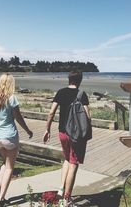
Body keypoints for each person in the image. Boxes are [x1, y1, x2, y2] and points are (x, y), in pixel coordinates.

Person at [0, 73, 33, 207]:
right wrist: (28, 130)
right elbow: (19, 118)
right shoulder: (11, 99)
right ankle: (1, 199)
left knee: (4, 163)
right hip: (9, 137)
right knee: (10, 167)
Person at [43, 70, 90, 207]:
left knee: (67, 159)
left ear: (69, 79)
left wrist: (47, 129)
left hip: (62, 132)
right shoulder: (82, 94)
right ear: (80, 80)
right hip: (76, 134)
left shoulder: (61, 92)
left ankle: (61, 189)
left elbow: (51, 112)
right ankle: (66, 199)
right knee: (74, 163)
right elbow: (88, 116)